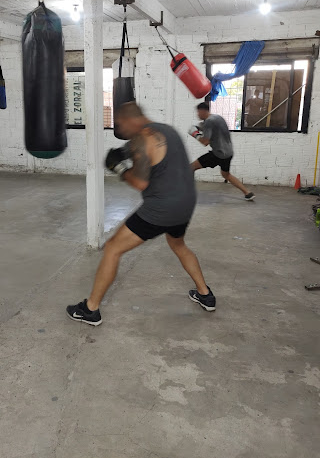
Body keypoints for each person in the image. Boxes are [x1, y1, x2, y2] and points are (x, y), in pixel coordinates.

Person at [66, 102, 216, 326]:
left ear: (129, 120)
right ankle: (205, 294)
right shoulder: (167, 130)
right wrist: (125, 153)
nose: (119, 129)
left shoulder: (140, 140)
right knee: (178, 245)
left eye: (119, 124)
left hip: (161, 208)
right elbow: (157, 156)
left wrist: (120, 169)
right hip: (186, 203)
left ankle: (90, 309)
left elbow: (140, 182)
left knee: (113, 248)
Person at [189, 102, 255, 201]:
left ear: (203, 111)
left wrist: (194, 134)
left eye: (198, 112)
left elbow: (205, 142)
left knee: (191, 167)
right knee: (226, 174)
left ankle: (186, 193)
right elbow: (215, 131)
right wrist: (200, 128)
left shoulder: (208, 122)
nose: (197, 114)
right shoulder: (217, 117)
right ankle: (248, 193)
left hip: (218, 154)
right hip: (228, 153)